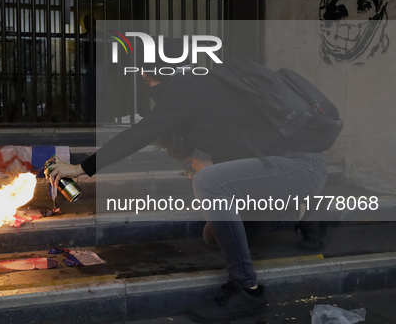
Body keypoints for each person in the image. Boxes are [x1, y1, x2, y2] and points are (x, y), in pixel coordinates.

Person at [47, 65, 329, 323]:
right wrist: (212, 161)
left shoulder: (190, 87)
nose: (143, 74)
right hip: (279, 168)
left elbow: (139, 134)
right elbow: (248, 140)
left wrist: (83, 167)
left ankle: (247, 290)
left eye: (150, 68)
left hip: (301, 166)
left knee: (209, 183)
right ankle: (299, 213)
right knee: (211, 234)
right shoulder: (202, 95)